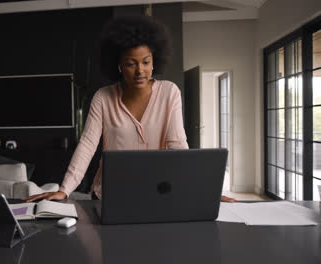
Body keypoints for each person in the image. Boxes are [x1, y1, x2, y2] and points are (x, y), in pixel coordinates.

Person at [25, 15, 236, 203]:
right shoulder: (103, 97)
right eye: (130, 63)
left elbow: (178, 146)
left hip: (156, 193)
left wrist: (202, 189)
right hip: (109, 195)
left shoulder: (170, 93)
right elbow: (87, 146)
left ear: (154, 62)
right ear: (118, 65)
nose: (140, 71)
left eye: (146, 62)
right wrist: (65, 189)